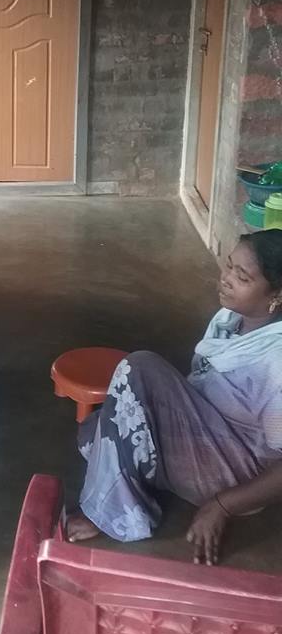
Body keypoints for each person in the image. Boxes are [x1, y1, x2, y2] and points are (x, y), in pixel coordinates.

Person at [67, 229, 282, 565]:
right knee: (95, 430)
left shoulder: (277, 359)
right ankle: (143, 478)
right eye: (229, 266)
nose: (226, 279)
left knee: (141, 368)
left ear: (277, 295)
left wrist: (222, 506)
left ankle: (112, 514)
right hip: (209, 436)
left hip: (234, 474)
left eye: (242, 277)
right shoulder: (231, 320)